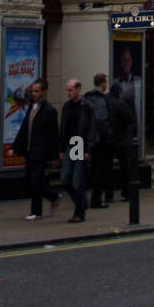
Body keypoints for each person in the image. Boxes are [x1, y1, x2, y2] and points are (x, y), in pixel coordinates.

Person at [12, 78, 61, 219]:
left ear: (44, 92)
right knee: (30, 181)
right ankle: (54, 196)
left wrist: (55, 156)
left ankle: (36, 212)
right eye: (33, 91)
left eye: (37, 91)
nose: (34, 94)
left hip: (41, 151)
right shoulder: (32, 107)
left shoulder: (50, 110)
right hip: (30, 149)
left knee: (35, 181)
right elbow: (24, 128)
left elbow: (54, 134)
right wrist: (15, 147)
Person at [60, 78, 93, 222]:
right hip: (69, 145)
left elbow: (92, 130)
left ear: (78, 89)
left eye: (70, 90)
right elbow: (63, 128)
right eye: (67, 90)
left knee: (77, 181)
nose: (68, 93)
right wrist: (61, 149)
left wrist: (88, 150)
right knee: (65, 179)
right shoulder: (66, 106)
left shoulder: (87, 106)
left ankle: (79, 213)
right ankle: (82, 202)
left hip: (81, 145)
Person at [84, 74, 114, 208]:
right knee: (100, 169)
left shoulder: (85, 98)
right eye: (106, 82)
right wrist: (109, 136)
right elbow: (102, 120)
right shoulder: (101, 99)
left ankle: (81, 200)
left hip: (81, 141)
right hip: (99, 141)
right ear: (102, 83)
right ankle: (96, 199)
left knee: (82, 170)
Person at [108, 81, 136, 199]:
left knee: (107, 168)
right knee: (124, 166)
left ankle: (109, 194)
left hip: (109, 140)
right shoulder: (121, 104)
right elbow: (130, 120)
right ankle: (126, 193)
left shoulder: (106, 103)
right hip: (121, 140)